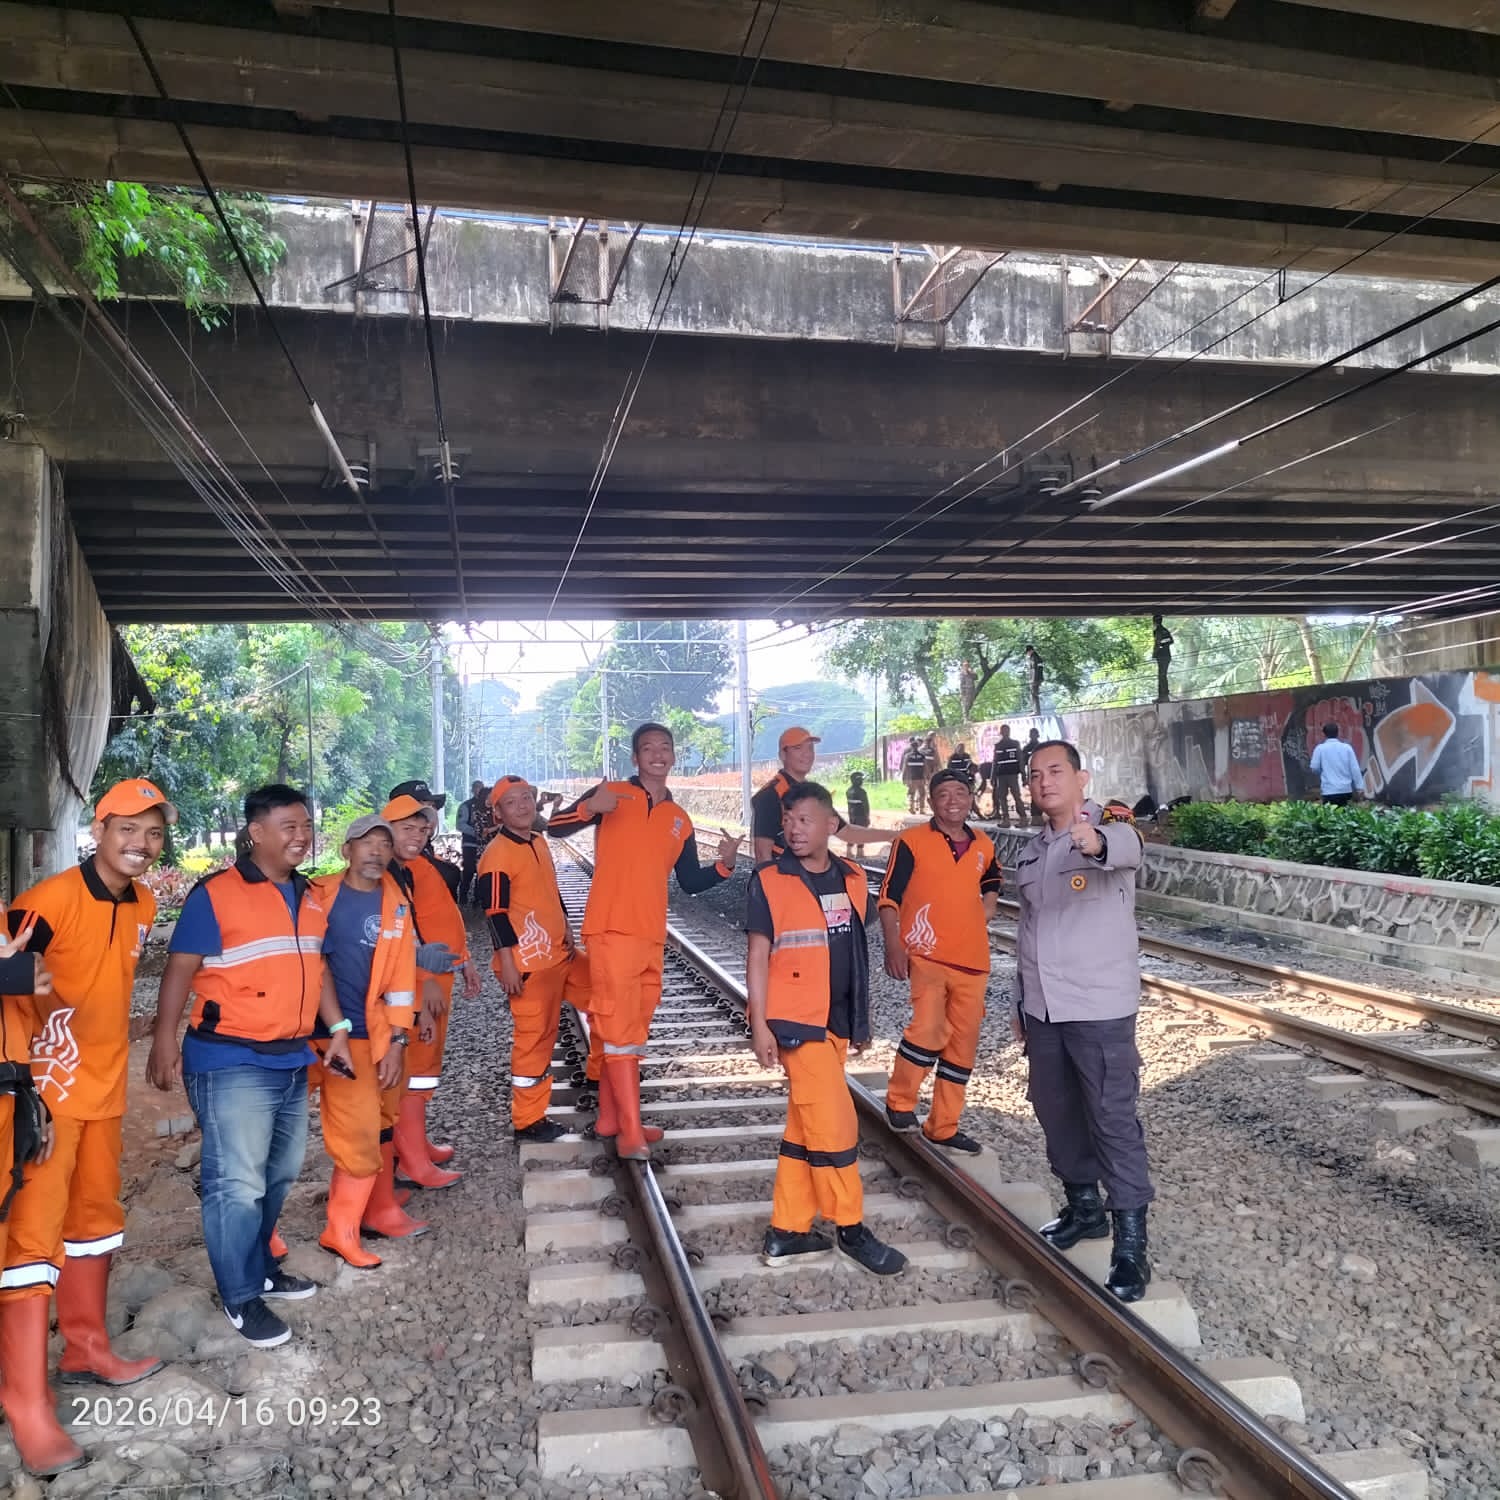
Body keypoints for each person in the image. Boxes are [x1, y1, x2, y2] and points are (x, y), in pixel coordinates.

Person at [0, 782, 174, 1474]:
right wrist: (25, 1085)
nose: (140, 844)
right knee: (31, 1241)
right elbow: (9, 983)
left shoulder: (144, 904)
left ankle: (86, 1346)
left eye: (152, 833)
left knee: (96, 1220)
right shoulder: (44, 904)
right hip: (45, 1097)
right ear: (97, 831)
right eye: (126, 829)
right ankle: (25, 1399)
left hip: (104, 1091)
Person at [148, 784, 323, 1350]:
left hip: (291, 1056)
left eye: (306, 825)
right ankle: (241, 1296)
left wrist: (339, 1031)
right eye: (289, 826)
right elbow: (179, 969)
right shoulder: (216, 894)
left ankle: (260, 1268)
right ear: (257, 833)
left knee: (279, 1174)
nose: (302, 835)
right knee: (237, 1183)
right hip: (230, 1059)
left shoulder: (310, 894)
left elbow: (314, 971)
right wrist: (163, 1040)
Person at [547, 722, 739, 1160]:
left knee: (630, 1029)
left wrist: (725, 866)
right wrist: (588, 808)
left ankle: (611, 1119)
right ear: (635, 758)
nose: (657, 754)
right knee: (619, 1030)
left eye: (665, 747)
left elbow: (689, 882)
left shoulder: (680, 819)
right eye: (648, 748)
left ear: (673, 756)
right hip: (611, 928)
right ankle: (630, 1132)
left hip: (651, 934)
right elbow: (553, 827)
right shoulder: (612, 793)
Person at [745, 781, 906, 1276]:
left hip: (836, 1020)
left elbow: (851, 949)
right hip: (796, 1022)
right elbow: (757, 956)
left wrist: (860, 1020)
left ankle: (787, 1231)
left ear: (830, 826)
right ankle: (850, 1227)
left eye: (804, 820)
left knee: (804, 1127)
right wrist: (759, 1024)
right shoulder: (769, 879)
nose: (793, 828)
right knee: (835, 1126)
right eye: (788, 820)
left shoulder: (853, 878)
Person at [1014, 741, 1151, 1303]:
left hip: (1099, 1008)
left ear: (1081, 777)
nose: (1044, 782)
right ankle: (1085, 1208)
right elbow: (1027, 932)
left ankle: (1131, 1245)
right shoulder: (1031, 852)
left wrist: (1093, 842)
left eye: (1055, 771)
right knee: (1055, 1109)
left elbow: (1127, 849)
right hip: (1045, 1008)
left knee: (1111, 1119)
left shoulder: (1111, 828)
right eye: (1034, 775)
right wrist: (1021, 1002)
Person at [307, 815, 420, 1267]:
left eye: (384, 844)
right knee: (337, 1133)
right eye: (366, 842)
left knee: (371, 1127)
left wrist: (397, 1040)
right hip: (314, 1034)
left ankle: (359, 1220)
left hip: (369, 1035)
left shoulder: (396, 903)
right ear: (346, 849)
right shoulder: (315, 894)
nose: (376, 851)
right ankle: (312, 1235)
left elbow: (402, 980)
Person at [879, 769, 1002, 1154]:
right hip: (927, 954)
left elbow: (992, 880)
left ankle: (943, 1126)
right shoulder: (911, 841)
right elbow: (888, 895)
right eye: (944, 794)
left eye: (961, 792)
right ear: (931, 801)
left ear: (971, 798)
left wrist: (988, 907)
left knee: (962, 1046)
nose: (953, 800)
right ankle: (899, 1103)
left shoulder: (983, 843)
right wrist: (893, 944)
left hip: (973, 960)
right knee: (928, 1028)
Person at [477, 775, 587, 1144]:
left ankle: (605, 1074)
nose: (522, 806)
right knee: (535, 1039)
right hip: (528, 964)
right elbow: (495, 915)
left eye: (526, 797)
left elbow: (550, 889)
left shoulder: (538, 840)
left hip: (559, 954)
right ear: (498, 812)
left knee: (606, 995)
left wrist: (566, 923)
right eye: (511, 802)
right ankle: (528, 1120)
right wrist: (507, 962)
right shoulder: (496, 856)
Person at [381, 786, 481, 1189]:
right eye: (410, 826)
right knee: (415, 1071)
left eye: (423, 826)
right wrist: (423, 987)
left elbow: (440, 919)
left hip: (436, 976)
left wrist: (464, 959)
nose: (421, 832)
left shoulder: (415, 865)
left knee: (425, 1069)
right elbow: (404, 938)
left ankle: (415, 1144)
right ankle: (412, 1162)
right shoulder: (391, 874)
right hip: (419, 985)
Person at [0, 907, 65, 1474]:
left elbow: (16, 1020)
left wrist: (31, 1094)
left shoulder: (4, 919)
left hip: (10, 1098)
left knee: (28, 1246)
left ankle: (27, 1400)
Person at [750, 728, 895, 866]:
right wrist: (771, 884)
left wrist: (892, 836)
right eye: (798, 748)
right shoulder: (769, 796)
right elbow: (762, 854)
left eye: (810, 748)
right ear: (782, 754)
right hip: (784, 876)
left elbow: (847, 832)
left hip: (809, 875)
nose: (807, 754)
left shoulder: (812, 793)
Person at [1308, 722, 1363, 807]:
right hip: (1345, 790)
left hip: (1328, 790)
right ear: (1338, 733)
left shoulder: (1320, 749)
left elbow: (1314, 768)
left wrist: (1322, 772)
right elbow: (1355, 768)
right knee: (1345, 814)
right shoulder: (1347, 748)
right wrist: (1359, 787)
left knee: (1330, 814)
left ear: (1324, 734)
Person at [456, 779, 490, 907]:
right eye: (476, 788)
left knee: (482, 871)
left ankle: (478, 898)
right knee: (469, 870)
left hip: (485, 845)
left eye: (481, 788)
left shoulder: (489, 806)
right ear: (472, 790)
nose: (478, 790)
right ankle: (463, 896)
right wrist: (477, 832)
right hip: (470, 844)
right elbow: (460, 825)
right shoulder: (466, 806)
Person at [989, 724, 1025, 823]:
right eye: (1003, 731)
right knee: (1002, 797)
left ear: (1009, 732)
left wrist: (1023, 774)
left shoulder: (1015, 743)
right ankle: (1005, 819)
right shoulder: (998, 745)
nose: (1005, 732)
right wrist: (992, 776)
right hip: (1001, 775)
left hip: (1012, 774)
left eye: (1007, 730)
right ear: (1001, 732)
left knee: (1016, 796)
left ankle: (1023, 818)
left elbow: (1020, 759)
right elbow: (995, 762)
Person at [900, 738, 930, 815]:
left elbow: (905, 768)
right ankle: (921, 809)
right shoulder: (922, 756)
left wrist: (904, 777)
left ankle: (911, 808)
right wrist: (927, 776)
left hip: (911, 778)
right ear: (917, 746)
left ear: (911, 747)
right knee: (922, 794)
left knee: (911, 793)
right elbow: (926, 767)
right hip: (920, 778)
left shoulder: (908, 756)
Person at [845, 772, 871, 858]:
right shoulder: (862, 792)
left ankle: (848, 851)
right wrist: (867, 817)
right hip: (861, 816)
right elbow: (866, 806)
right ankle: (860, 853)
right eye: (861, 780)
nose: (862, 781)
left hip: (852, 816)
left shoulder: (848, 791)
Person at [1151, 615, 1174, 705]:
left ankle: (1163, 696)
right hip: (1166, 655)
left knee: (1162, 676)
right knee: (1162, 675)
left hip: (1162, 656)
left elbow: (1158, 643)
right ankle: (1162, 695)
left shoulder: (1159, 631)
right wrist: (1163, 644)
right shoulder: (1164, 630)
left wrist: (1155, 653)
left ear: (1154, 622)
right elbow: (1170, 641)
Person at [1021, 728, 1042, 819]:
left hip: (1041, 774)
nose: (1033, 736)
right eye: (1032, 734)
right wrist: (1024, 777)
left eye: (1035, 734)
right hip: (1031, 775)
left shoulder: (1041, 747)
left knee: (1041, 794)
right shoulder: (1026, 748)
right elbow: (1022, 763)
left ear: (1038, 735)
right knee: (1034, 794)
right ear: (1030, 736)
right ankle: (1035, 815)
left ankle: (1039, 814)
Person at [1025, 646, 1045, 716]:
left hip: (1035, 679)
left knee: (1034, 694)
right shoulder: (1036, 657)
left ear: (1031, 650)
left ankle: (1036, 711)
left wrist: (1033, 680)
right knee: (1033, 694)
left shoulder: (1034, 658)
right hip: (1037, 678)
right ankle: (1035, 710)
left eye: (1027, 652)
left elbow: (1034, 669)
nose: (1027, 653)